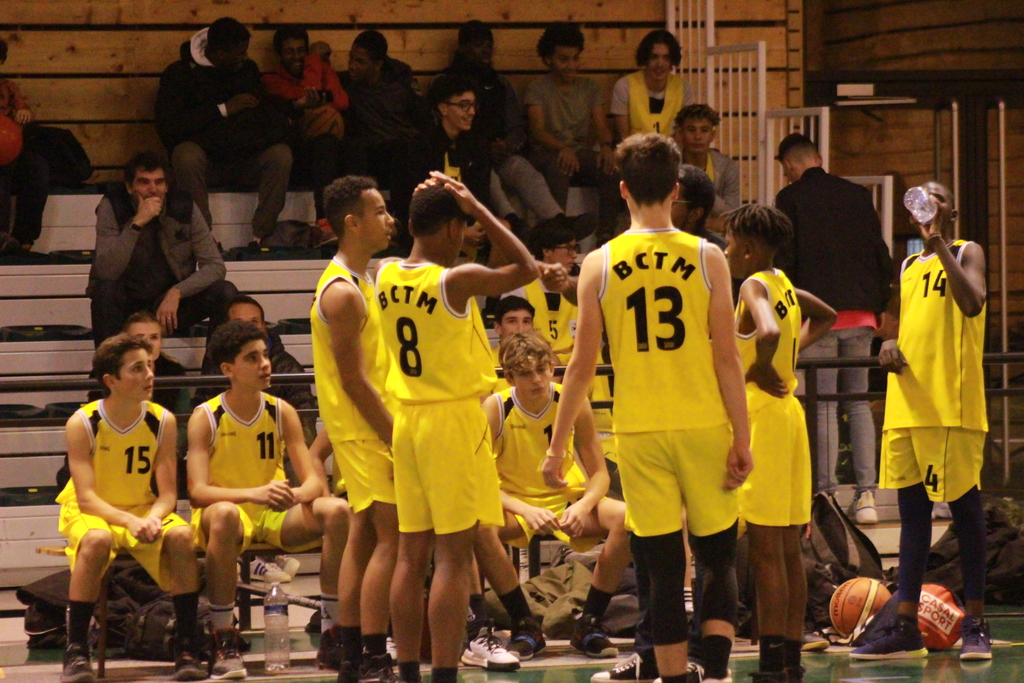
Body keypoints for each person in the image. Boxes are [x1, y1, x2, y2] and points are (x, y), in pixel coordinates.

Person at [548, 133, 752, 683]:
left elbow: (580, 366)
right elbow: (728, 357)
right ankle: (715, 670)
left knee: (662, 570)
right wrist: (742, 437)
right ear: (675, 188)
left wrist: (556, 446)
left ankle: (675, 677)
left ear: (622, 190)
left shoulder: (599, 262)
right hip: (704, 423)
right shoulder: (708, 256)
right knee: (717, 558)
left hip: (639, 431)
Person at [376, 174, 537, 683]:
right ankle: (445, 673)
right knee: (452, 557)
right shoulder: (453, 280)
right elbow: (526, 267)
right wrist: (479, 207)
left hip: (408, 421)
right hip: (451, 420)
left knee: (410, 556)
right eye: (463, 226)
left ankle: (408, 670)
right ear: (451, 227)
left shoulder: (384, 273)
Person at [852, 181, 992, 661]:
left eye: (939, 198)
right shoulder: (910, 265)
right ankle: (905, 626)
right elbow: (897, 327)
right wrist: (887, 344)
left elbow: (972, 303)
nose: (930, 205)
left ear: (952, 210)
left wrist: (939, 245)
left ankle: (975, 624)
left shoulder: (966, 252)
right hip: (906, 404)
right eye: (923, 199)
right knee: (913, 518)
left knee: (966, 514)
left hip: (951, 405)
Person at [186, 320, 350, 679]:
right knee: (225, 515)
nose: (264, 364)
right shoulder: (206, 417)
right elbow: (197, 492)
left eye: (265, 355)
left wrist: (293, 495)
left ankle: (332, 630)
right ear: (228, 369)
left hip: (273, 515)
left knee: (338, 510)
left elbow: (312, 481)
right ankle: (223, 638)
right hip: (225, 514)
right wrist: (253, 493)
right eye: (252, 358)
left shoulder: (281, 411)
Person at [724, 205, 836, 682]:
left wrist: (761, 366)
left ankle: (771, 665)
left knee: (767, 550)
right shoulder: (783, 282)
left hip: (764, 417)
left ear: (749, 249)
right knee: (789, 549)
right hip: (789, 414)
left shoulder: (752, 285)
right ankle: (790, 660)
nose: (726, 250)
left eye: (730, 243)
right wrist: (788, 356)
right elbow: (827, 315)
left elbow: (767, 329)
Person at [472, 331, 631, 661]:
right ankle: (524, 624)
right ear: (510, 377)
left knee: (629, 520)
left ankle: (589, 622)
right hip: (515, 502)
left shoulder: (571, 401)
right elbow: (479, 481)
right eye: (525, 373)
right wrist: (524, 509)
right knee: (477, 528)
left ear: (553, 369)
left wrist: (585, 505)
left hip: (566, 500)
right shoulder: (496, 408)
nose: (536, 379)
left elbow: (600, 475)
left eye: (542, 370)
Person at [57, 334, 205, 683]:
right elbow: (86, 497)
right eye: (137, 368)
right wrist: (128, 521)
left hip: (140, 508)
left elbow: (168, 495)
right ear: (111, 380)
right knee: (96, 541)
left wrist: (152, 518)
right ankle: (76, 650)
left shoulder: (163, 420)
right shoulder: (83, 422)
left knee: (182, 536)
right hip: (91, 510)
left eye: (150, 366)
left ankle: (186, 646)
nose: (149, 375)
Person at [774, 133, 895, 522]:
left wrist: (788, 310)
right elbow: (879, 252)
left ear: (789, 166)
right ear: (819, 158)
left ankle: (826, 498)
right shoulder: (858, 196)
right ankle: (866, 496)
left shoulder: (789, 198)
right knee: (857, 402)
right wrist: (881, 306)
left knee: (823, 405)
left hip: (818, 317)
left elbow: (787, 259)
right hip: (862, 315)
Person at [310, 176, 399, 677]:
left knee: (363, 536)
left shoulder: (366, 279)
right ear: (353, 223)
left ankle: (348, 655)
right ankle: (372, 652)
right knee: (392, 540)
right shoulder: (342, 292)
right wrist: (394, 434)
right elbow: (352, 380)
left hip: (366, 427)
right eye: (380, 211)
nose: (390, 220)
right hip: (364, 430)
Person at [155, 17, 293, 242]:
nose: (245, 57)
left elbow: (259, 117)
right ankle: (201, 238)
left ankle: (262, 236)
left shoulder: (248, 71)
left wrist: (215, 128)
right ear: (220, 54)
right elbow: (170, 127)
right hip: (206, 163)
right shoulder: (179, 74)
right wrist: (223, 110)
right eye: (240, 53)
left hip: (244, 158)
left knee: (280, 155)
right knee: (185, 154)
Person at [88, 150, 238, 346]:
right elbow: (106, 271)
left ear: (166, 186)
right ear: (129, 186)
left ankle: (216, 363)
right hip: (127, 305)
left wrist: (177, 292)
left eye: (159, 182)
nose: (153, 189)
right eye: (144, 182)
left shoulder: (184, 207)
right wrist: (136, 223)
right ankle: (109, 362)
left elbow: (215, 266)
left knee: (225, 291)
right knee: (104, 291)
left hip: (171, 305)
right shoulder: (112, 206)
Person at [441, 21, 565, 226]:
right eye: (479, 45)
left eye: (489, 45)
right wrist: (483, 148)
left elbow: (516, 126)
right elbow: (443, 129)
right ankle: (512, 222)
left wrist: (508, 145)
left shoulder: (500, 84)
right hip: (467, 155)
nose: (486, 51)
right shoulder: (446, 82)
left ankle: (558, 221)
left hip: (502, 154)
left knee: (523, 170)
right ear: (463, 48)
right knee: (485, 172)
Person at [524, 23, 621, 244]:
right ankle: (558, 236)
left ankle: (606, 235)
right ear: (548, 59)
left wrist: (607, 147)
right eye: (563, 59)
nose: (571, 65)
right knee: (560, 166)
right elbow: (538, 132)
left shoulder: (590, 87)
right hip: (546, 153)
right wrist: (563, 148)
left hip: (578, 153)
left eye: (575, 58)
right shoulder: (537, 88)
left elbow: (601, 127)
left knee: (611, 169)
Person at [198, 294, 318, 445]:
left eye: (254, 322)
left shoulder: (287, 368)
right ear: (227, 369)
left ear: (264, 327)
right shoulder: (204, 412)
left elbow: (305, 432)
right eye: (239, 323)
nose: (248, 329)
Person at [262, 27, 351, 219]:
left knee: (352, 146)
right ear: (279, 55)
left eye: (301, 51)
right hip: (298, 155)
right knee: (325, 142)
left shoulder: (318, 68)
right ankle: (324, 221)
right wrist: (314, 63)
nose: (297, 57)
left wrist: (317, 63)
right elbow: (309, 94)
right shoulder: (272, 81)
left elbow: (341, 102)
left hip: (328, 151)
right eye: (289, 51)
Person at [393, 74, 493, 245]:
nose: (471, 112)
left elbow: (481, 195)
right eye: (463, 105)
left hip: (468, 222)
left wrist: (476, 225)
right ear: (443, 108)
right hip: (431, 227)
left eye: (473, 105)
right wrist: (460, 233)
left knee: (504, 228)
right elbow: (418, 204)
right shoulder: (420, 146)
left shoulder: (478, 146)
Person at [340, 30, 432, 193]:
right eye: (351, 58)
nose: (352, 65)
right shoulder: (347, 84)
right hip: (371, 155)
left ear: (377, 65)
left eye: (360, 61)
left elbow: (422, 121)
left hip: (403, 153)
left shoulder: (402, 85)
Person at [502, 214, 594, 364]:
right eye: (568, 248)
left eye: (575, 248)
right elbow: (513, 339)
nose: (574, 255)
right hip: (534, 363)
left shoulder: (580, 285)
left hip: (577, 362)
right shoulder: (518, 287)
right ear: (546, 251)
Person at [0, 38, 48, 251]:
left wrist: (23, 113)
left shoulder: (9, 87)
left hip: (10, 149)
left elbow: (23, 107)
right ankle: (1, 235)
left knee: (37, 167)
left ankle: (24, 237)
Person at [611, 30, 693, 140]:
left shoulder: (684, 88)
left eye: (666, 58)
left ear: (672, 61)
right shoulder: (624, 86)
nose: (660, 64)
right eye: (654, 57)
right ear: (645, 59)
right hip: (635, 149)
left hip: (673, 150)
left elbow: (685, 135)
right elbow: (624, 138)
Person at [672, 106, 739, 218]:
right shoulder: (669, 165)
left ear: (712, 135)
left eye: (704, 130)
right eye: (691, 130)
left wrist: (702, 190)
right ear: (680, 133)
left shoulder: (727, 167)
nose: (698, 137)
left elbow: (732, 216)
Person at [673, 164, 727, 250]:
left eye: (671, 202)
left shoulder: (717, 252)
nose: (660, 208)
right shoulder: (653, 246)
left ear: (694, 214)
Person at [489, 295, 535, 392]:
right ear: (498, 327)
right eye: (512, 321)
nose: (520, 329)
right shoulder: (485, 363)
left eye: (526, 321)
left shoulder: (547, 360)